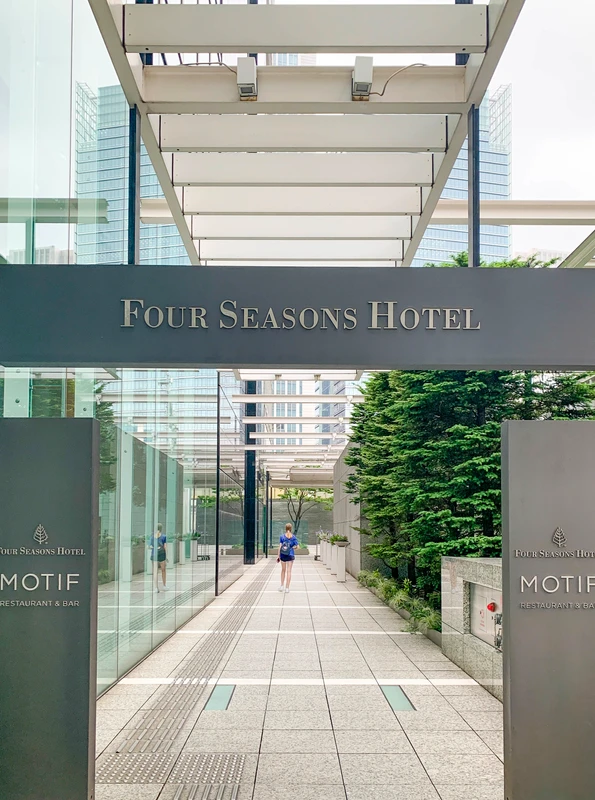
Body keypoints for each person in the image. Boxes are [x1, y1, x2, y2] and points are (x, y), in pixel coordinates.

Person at [277, 522, 298, 593]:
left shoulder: (282, 537)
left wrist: (278, 556)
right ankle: (287, 588)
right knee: (289, 571)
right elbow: (297, 547)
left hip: (283, 555)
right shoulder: (294, 537)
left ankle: (281, 586)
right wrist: (292, 548)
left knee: (283, 570)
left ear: (285, 528)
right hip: (290, 555)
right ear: (291, 529)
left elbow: (280, 547)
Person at [150, 523, 167, 593]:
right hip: (162, 554)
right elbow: (165, 547)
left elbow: (149, 546)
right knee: (163, 570)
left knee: (155, 572)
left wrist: (154, 547)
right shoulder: (164, 537)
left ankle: (156, 587)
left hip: (154, 555)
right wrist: (166, 556)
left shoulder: (152, 537)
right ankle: (164, 585)